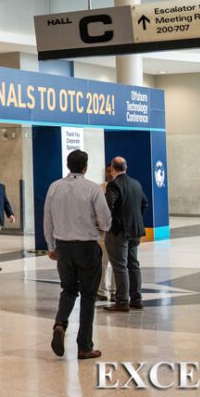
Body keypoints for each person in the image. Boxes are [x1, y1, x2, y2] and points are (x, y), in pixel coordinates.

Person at [44, 150, 111, 360]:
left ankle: (60, 323)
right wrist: (99, 226)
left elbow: (47, 218)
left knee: (68, 289)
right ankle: (84, 346)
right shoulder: (92, 188)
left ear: (67, 164)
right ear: (85, 166)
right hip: (87, 247)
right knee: (89, 296)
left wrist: (51, 245)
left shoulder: (54, 187)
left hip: (63, 247)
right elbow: (106, 220)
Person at [102, 157, 147, 313]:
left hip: (119, 231)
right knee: (133, 264)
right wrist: (135, 219)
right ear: (126, 167)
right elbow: (144, 203)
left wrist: (110, 223)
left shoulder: (114, 184)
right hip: (135, 229)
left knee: (120, 265)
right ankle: (136, 299)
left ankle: (121, 301)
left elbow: (107, 205)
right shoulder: (136, 183)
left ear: (113, 168)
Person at [97, 164, 116, 302]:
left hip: (117, 231)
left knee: (117, 263)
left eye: (112, 171)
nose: (110, 173)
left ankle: (115, 291)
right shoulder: (99, 188)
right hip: (102, 231)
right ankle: (102, 291)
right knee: (102, 262)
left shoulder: (122, 186)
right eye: (108, 171)